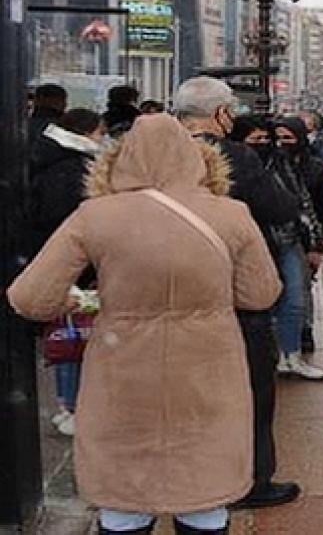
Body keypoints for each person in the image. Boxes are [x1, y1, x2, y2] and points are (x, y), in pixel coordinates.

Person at [6, 115, 282, 535]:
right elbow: (260, 294)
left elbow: (29, 298)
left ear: (122, 159)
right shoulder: (231, 213)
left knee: (124, 503)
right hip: (208, 370)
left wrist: (78, 299)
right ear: (198, 159)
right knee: (204, 499)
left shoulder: (95, 215)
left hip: (123, 370)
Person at [172, 77, 302, 510]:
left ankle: (185, 476)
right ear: (221, 114)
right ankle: (251, 481)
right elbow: (281, 207)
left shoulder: (152, 154)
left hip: (167, 292)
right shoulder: (233, 156)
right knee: (250, 392)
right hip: (231, 294)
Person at [229, 116, 323, 380]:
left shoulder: (281, 162)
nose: (263, 144)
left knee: (294, 300)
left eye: (265, 138)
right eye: (255, 139)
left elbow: (302, 201)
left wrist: (315, 242)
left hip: (287, 238)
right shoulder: (233, 167)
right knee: (259, 301)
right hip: (253, 242)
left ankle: (290, 356)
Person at [27, 108, 106, 437]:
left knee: (66, 331)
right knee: (77, 330)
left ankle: (66, 402)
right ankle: (74, 404)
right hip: (74, 262)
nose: (103, 139)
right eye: (100, 133)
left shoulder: (45, 157)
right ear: (87, 132)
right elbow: (71, 218)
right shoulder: (75, 169)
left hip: (51, 257)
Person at [279, 116, 323, 353]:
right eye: (279, 137)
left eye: (288, 137)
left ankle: (304, 329)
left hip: (307, 236)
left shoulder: (318, 168)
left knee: (302, 284)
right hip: (285, 234)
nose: (283, 143)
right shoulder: (275, 165)